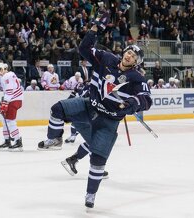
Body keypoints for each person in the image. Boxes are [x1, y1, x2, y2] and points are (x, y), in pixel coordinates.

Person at [38, 14, 152, 208]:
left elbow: (146, 100)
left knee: (98, 160)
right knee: (57, 109)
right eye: (129, 52)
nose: (129, 55)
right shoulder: (106, 58)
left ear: (136, 62)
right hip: (88, 106)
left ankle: (91, 194)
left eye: (134, 56)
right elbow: (83, 49)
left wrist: (131, 104)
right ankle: (55, 138)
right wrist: (94, 29)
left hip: (108, 121)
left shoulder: (136, 78)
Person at [0, 63, 23, 152]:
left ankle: (18, 141)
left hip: (13, 100)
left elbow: (9, 92)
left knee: (10, 121)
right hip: (15, 99)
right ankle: (7, 140)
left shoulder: (6, 76)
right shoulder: (10, 74)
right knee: (5, 120)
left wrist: (4, 104)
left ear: (1, 69)